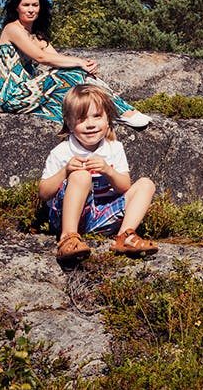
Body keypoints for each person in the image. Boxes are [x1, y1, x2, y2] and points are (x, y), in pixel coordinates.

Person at [0, 0, 151, 129]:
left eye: (35, 5)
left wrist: (85, 67)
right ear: (17, 7)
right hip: (14, 96)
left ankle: (111, 110)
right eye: (26, 5)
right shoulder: (12, 29)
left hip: (31, 93)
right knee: (71, 72)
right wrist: (80, 62)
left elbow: (58, 60)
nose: (31, 10)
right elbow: (42, 57)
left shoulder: (37, 36)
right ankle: (124, 112)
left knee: (75, 77)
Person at [39, 84, 158, 260]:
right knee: (81, 176)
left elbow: (124, 186)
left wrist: (108, 171)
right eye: (81, 119)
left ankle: (125, 236)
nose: (91, 125)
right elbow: (43, 193)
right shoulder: (62, 152)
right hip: (66, 217)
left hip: (102, 217)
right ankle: (68, 237)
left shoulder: (114, 148)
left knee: (146, 184)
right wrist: (65, 171)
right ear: (69, 123)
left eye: (97, 116)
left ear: (107, 119)